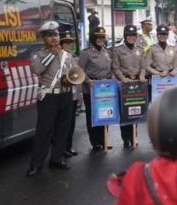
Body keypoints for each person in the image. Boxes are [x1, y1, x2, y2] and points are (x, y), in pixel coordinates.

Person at [27, 21, 77, 176]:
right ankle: (36, 164)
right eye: (50, 36)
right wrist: (52, 54)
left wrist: (72, 80)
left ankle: (57, 159)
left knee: (63, 129)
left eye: (55, 34)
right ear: (43, 39)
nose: (54, 38)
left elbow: (76, 72)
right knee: (44, 131)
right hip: (49, 97)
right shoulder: (38, 54)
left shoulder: (67, 56)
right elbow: (37, 70)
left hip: (66, 95)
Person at [79, 27, 114, 153]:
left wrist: (110, 79)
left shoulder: (106, 51)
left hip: (105, 88)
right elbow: (80, 70)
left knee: (105, 114)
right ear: (93, 39)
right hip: (91, 88)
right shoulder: (86, 53)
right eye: (98, 37)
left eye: (102, 37)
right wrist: (88, 81)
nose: (100, 40)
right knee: (92, 116)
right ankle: (95, 142)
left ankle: (103, 140)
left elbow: (110, 68)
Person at [112, 24, 147, 148]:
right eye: (129, 35)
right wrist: (123, 78)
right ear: (125, 36)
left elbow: (143, 66)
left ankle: (134, 136)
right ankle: (126, 138)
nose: (131, 38)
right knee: (125, 111)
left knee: (135, 110)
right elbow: (115, 67)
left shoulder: (140, 49)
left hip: (137, 83)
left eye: (133, 35)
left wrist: (142, 76)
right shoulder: (118, 50)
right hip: (124, 84)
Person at [60, 30, 79, 158]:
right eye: (66, 42)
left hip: (73, 94)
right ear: (61, 44)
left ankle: (68, 147)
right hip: (62, 94)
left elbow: (78, 73)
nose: (68, 45)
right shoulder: (59, 57)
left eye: (70, 42)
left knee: (71, 123)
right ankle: (61, 149)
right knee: (62, 124)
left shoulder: (72, 56)